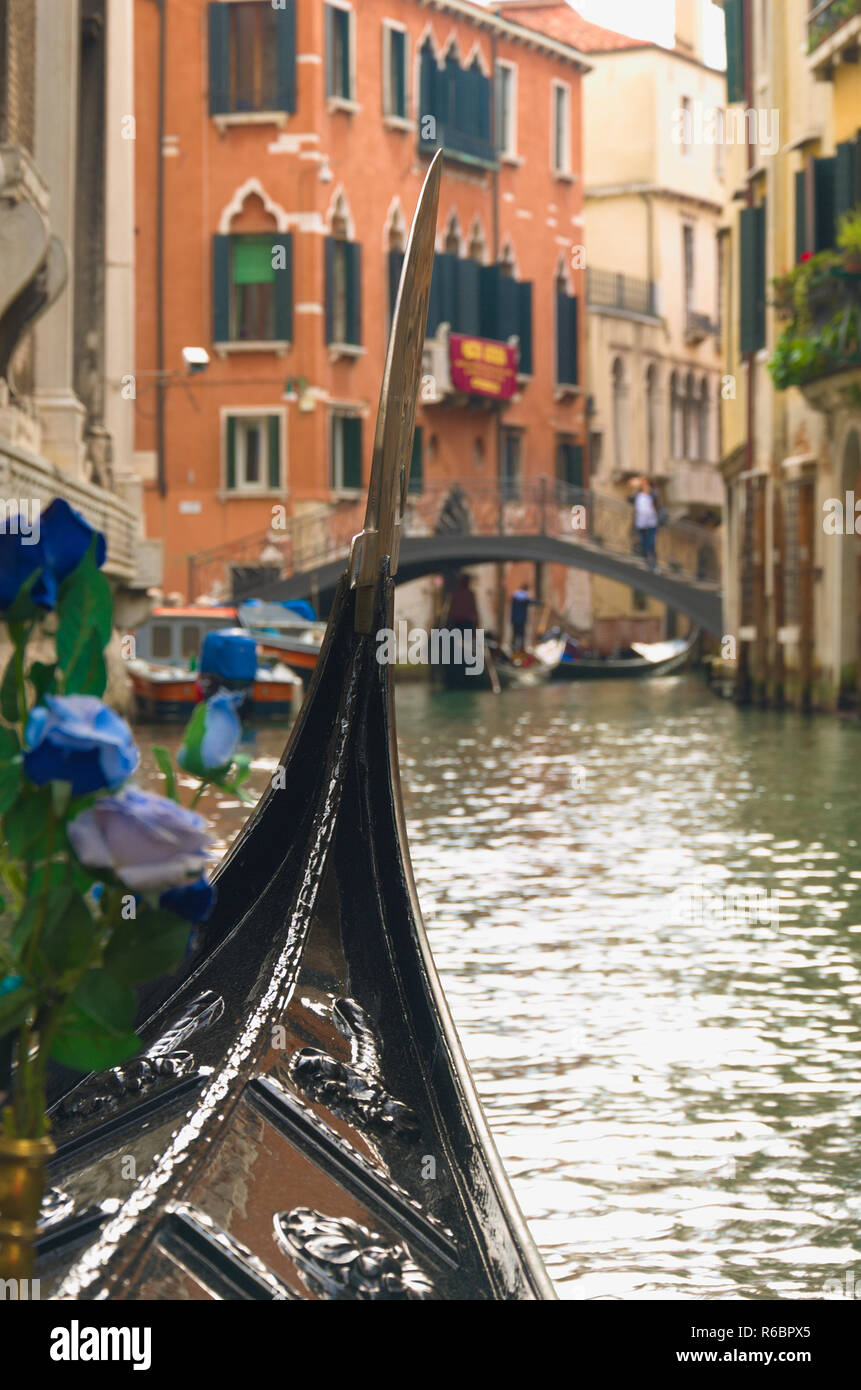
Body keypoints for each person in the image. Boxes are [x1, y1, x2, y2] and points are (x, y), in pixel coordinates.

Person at [629, 476, 659, 570]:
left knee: (651, 542)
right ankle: (645, 561)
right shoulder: (638, 494)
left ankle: (653, 562)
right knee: (644, 543)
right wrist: (631, 488)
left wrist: (648, 491)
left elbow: (657, 502)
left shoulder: (653, 493)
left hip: (651, 523)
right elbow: (629, 499)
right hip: (641, 523)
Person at [510, 583, 539, 651]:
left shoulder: (515, 596)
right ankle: (520, 649)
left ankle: (514, 649)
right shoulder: (524, 597)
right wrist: (541, 603)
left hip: (515, 619)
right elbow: (531, 602)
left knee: (515, 634)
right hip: (521, 620)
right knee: (521, 635)